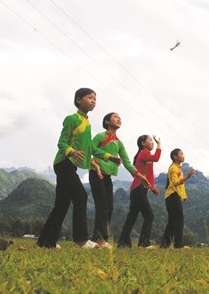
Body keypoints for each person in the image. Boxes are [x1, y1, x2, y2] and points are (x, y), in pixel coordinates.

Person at [37, 88, 122, 249]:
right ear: (78, 100)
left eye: (95, 99)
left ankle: (46, 242)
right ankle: (81, 240)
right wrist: (73, 152)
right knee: (81, 196)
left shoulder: (87, 122)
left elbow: (90, 147)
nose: (93, 101)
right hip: (63, 163)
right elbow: (61, 143)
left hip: (70, 166)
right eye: (90, 98)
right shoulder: (72, 119)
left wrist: (109, 157)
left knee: (61, 204)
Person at [89, 113, 149, 248]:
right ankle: (99, 240)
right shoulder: (100, 136)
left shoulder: (119, 143)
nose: (119, 119)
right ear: (107, 121)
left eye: (120, 118)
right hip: (96, 173)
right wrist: (109, 156)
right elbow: (91, 148)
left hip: (107, 176)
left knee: (109, 206)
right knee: (102, 205)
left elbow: (127, 162)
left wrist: (140, 176)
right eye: (115, 117)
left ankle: (100, 239)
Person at [117, 135, 161, 248]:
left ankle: (123, 243)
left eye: (153, 141)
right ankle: (144, 243)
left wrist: (152, 188)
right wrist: (159, 145)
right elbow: (156, 158)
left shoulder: (145, 155)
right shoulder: (144, 153)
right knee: (149, 216)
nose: (153, 142)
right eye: (150, 140)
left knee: (131, 218)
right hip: (138, 189)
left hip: (138, 189)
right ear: (143, 143)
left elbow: (148, 174)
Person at [161, 148, 195, 248]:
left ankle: (164, 244)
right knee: (179, 219)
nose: (183, 155)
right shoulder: (173, 169)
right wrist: (188, 176)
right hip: (172, 196)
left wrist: (184, 196)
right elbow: (175, 183)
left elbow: (180, 185)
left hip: (173, 196)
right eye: (181, 154)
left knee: (172, 221)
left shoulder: (177, 168)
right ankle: (178, 244)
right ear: (175, 157)